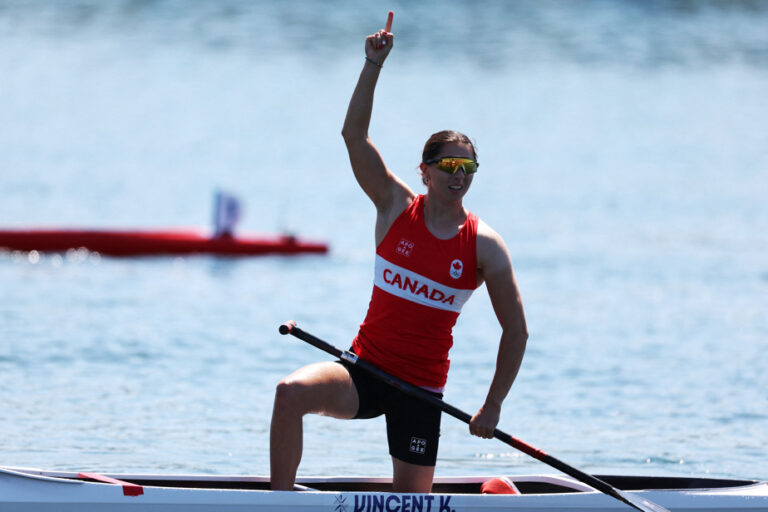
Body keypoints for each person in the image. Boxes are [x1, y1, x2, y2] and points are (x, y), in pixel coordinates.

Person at [270, 11, 528, 493]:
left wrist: (492, 405)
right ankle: (277, 503)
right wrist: (372, 64)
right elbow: (353, 137)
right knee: (289, 393)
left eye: (469, 167)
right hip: (363, 370)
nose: (460, 175)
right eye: (450, 164)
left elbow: (516, 331)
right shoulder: (393, 206)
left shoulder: (485, 247)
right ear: (425, 170)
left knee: (412, 504)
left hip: (421, 391)